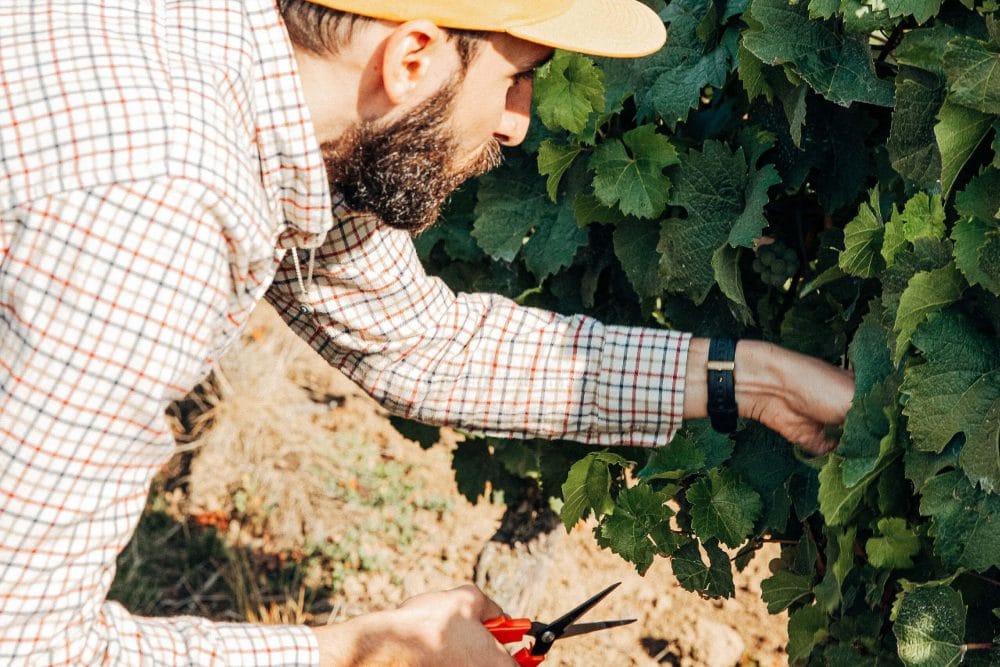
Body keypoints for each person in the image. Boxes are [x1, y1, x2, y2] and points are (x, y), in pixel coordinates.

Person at [0, 0, 855, 664]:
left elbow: (425, 343)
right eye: (517, 77)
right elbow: (26, 647)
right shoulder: (149, 228)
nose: (519, 122)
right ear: (411, 57)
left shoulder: (261, 80)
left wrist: (760, 380)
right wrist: (357, 653)